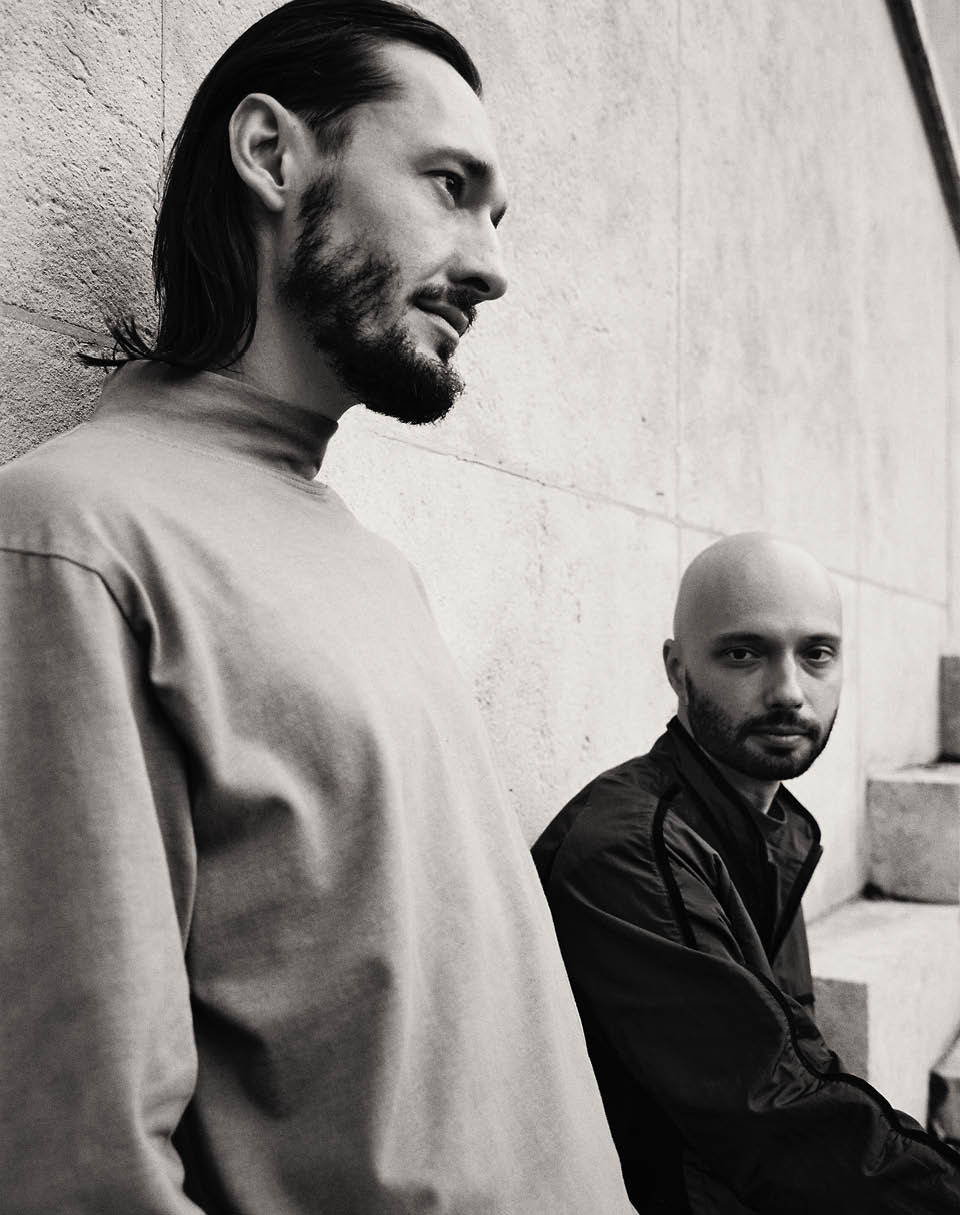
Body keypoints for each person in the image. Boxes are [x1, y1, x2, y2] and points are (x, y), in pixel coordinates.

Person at [0, 3, 633, 1211]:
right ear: (271, 154)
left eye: (497, 218)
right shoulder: (70, 539)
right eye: (450, 187)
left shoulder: (373, 564)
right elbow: (80, 1163)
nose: (492, 268)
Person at [533, 533, 960, 1213]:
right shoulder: (631, 852)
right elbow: (776, 1117)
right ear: (678, 670)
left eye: (816, 653)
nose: (789, 691)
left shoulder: (768, 827)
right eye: (743, 653)